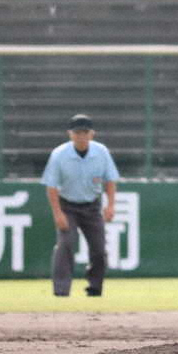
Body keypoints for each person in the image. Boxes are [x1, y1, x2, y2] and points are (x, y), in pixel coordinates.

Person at [41, 114, 120, 297]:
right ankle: (61, 290)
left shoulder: (101, 152)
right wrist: (58, 214)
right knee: (66, 244)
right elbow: (51, 186)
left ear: (92, 134)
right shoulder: (60, 154)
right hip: (68, 205)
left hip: (92, 206)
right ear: (70, 134)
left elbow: (110, 180)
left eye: (85, 132)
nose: (81, 136)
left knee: (99, 249)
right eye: (77, 132)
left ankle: (95, 287)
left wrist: (110, 206)